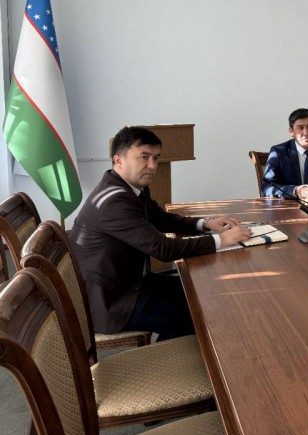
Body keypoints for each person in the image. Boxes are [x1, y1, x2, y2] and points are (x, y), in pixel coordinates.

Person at [69, 126, 251, 341]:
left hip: (129, 283)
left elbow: (161, 219)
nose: (152, 165)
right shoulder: (114, 201)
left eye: (156, 158)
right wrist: (222, 240)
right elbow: (163, 249)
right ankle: (168, 358)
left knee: (200, 293)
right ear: (118, 160)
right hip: (111, 302)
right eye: (144, 157)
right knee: (193, 314)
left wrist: (205, 224)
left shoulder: (132, 187)